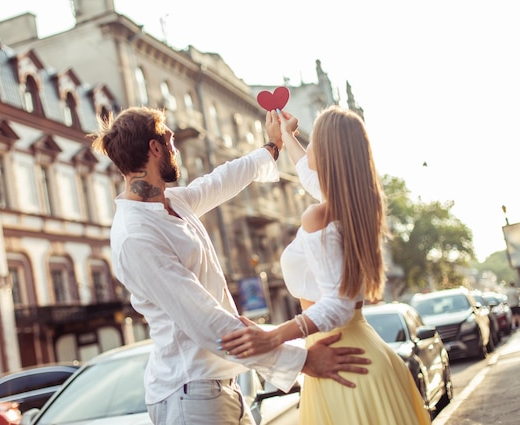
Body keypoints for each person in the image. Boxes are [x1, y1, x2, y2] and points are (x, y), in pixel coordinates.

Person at [91, 106, 371, 425]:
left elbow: (221, 180)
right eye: (171, 141)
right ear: (155, 148)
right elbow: (207, 321)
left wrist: (274, 145)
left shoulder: (171, 202)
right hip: (190, 393)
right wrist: (304, 361)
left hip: (218, 387)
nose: (175, 149)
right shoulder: (135, 236)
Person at [219, 106, 431, 424]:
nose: (309, 147)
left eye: (314, 141)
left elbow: (338, 304)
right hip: (357, 352)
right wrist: (287, 136)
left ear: (329, 154)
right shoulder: (354, 207)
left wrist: (275, 336)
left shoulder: (319, 216)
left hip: (341, 360)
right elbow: (309, 174)